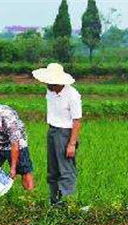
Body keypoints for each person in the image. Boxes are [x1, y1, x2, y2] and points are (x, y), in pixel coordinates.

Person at [32, 63, 82, 205]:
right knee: (52, 171)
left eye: (51, 82)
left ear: (59, 82)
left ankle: (69, 203)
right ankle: (55, 203)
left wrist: (72, 144)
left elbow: (77, 121)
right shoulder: (50, 91)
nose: (47, 84)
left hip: (65, 134)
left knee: (66, 171)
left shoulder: (73, 95)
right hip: (52, 131)